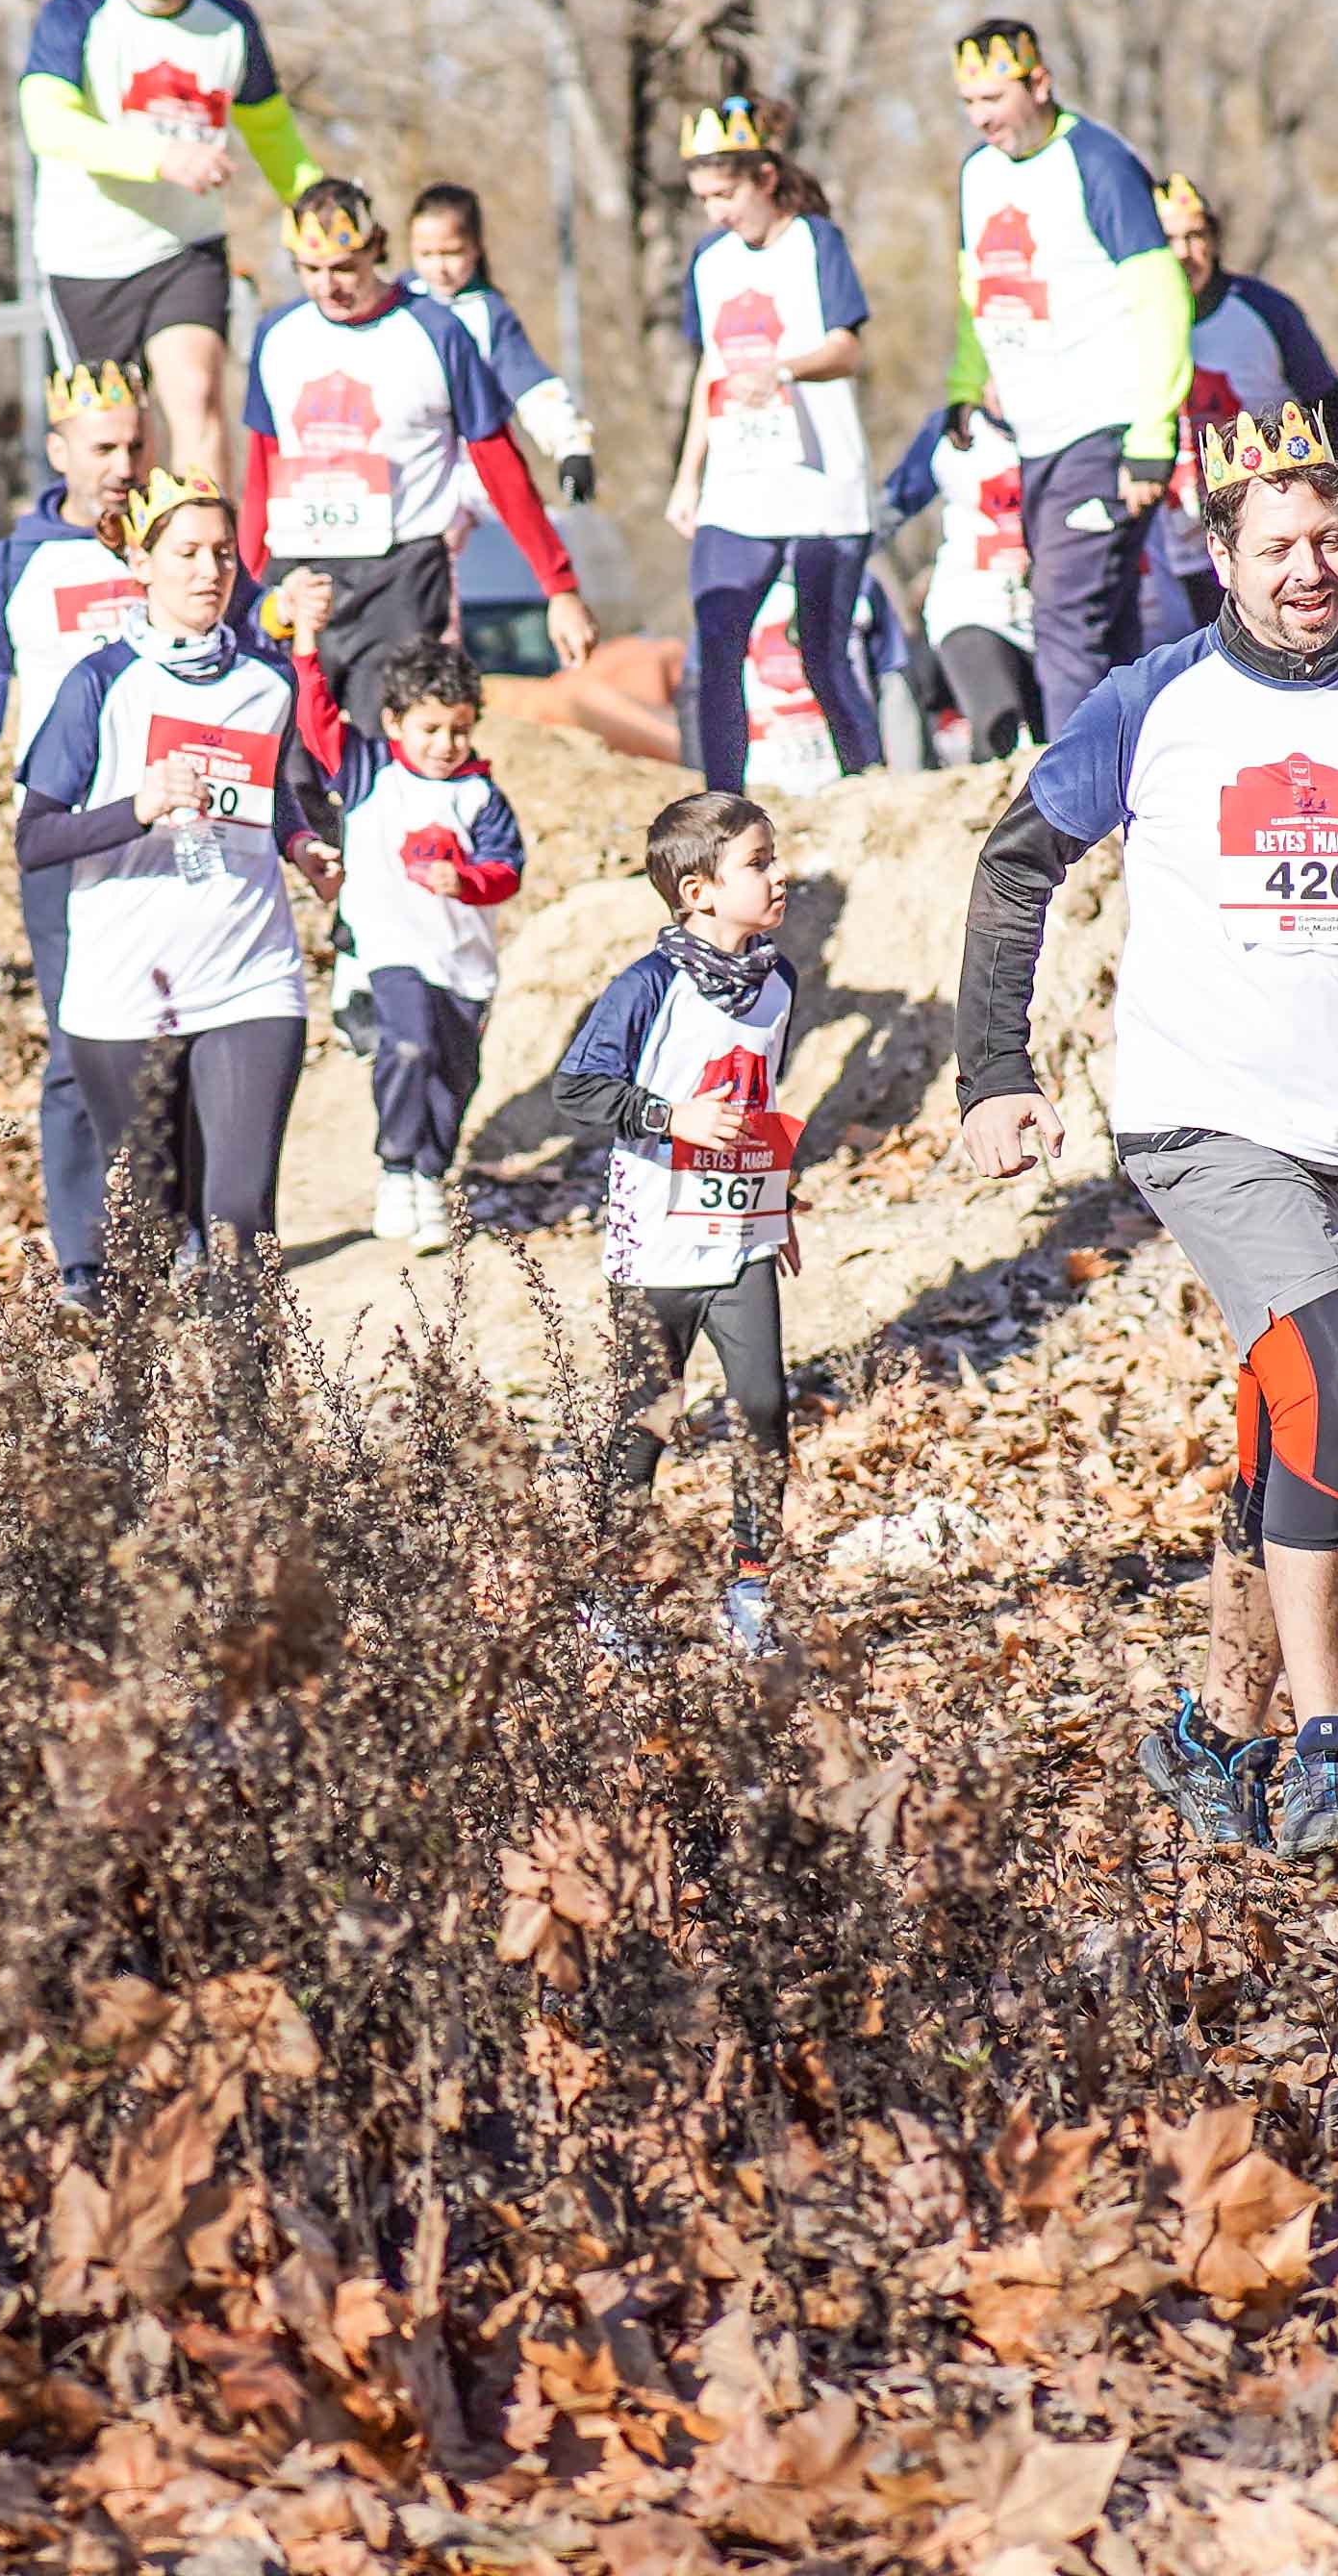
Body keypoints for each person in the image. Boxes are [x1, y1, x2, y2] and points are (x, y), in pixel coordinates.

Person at [952, 399, 1338, 1863]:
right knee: (1337, 1381)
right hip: (1200, 1119)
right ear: (1217, 550)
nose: (1311, 570)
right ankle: (1329, 1753)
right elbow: (1014, 864)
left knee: (1298, 1427)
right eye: (1279, 546)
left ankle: (1212, 1734)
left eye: (1331, 541)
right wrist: (993, 1070)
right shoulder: (1156, 701)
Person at [13, 475, 339, 1303]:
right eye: (186, 553)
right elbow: (35, 839)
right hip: (125, 989)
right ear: (141, 564)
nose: (209, 572)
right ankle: (159, 1419)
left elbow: (281, 791)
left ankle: (250, 1425)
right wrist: (139, 808)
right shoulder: (98, 684)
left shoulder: (268, 684)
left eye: (224, 555)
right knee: (154, 1235)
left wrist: (303, 843)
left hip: (247, 972)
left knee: (239, 1219)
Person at [0, 359, 163, 1310]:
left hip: (176, 835)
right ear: (58, 452)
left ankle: (183, 1239)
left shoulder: (178, 538)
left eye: (137, 443)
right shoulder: (18, 563)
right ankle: (86, 1261)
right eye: (104, 448)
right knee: (79, 1044)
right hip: (64, 838)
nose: (124, 464)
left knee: (181, 1040)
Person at [552, 788, 808, 1655]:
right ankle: (610, 1590)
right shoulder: (646, 986)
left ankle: (751, 1588)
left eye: (775, 859)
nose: (781, 876)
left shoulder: (780, 981)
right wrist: (671, 1119)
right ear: (697, 890)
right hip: (656, 1240)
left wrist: (779, 1194)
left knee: (766, 1409)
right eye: (759, 864)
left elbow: (761, 1098)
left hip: (742, 1235)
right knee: (647, 1419)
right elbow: (577, 1088)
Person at [240, 178, 597, 728]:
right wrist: (247, 581)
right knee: (291, 752)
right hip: (300, 566)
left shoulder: (436, 332)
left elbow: (499, 465)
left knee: (380, 744)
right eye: (310, 271)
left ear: (376, 249)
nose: (327, 286)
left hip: (400, 571)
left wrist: (560, 586)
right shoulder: (277, 335)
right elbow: (262, 466)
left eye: (343, 268)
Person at [17, 0, 324, 493]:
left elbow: (272, 135)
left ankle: (207, 559)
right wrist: (161, 158)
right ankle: (123, 569)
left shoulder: (228, 24)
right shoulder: (73, 18)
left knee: (198, 396)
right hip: (88, 259)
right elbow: (49, 126)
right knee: (112, 435)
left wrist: (318, 205)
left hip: (184, 248)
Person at [943, 23, 1191, 739]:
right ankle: (1131, 781)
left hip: (1106, 425)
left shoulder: (1098, 162)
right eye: (968, 102)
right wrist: (966, 381)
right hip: (1036, 431)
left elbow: (1160, 296)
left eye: (994, 97)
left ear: (1040, 85)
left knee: (1061, 612)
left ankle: (1068, 803)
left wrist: (1151, 435)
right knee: (1104, 622)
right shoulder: (977, 174)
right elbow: (976, 293)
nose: (982, 116)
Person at [666, 95, 883, 791]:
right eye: (703, 199)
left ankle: (868, 794)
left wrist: (784, 368)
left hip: (821, 482)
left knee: (822, 653)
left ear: (764, 177)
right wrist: (687, 473)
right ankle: (720, 803)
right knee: (716, 645)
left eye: (725, 194)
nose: (716, 213)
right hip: (740, 479)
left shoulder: (815, 243)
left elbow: (848, 349)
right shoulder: (708, 261)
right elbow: (711, 367)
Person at [296, 635, 524, 1249]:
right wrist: (305, 647)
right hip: (389, 951)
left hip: (463, 965)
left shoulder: (482, 796)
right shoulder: (370, 770)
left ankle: (431, 1173)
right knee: (408, 1048)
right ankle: (396, 1169)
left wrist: (468, 880)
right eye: (429, 729)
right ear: (394, 722)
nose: (445, 745)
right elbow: (315, 720)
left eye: (459, 730)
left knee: (455, 1075)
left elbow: (508, 870)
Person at [1149, 177, 1338, 645]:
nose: (1183, 253)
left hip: (1271, 525)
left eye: (1195, 236)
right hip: (1172, 535)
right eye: (1168, 240)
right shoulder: (1125, 319)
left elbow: (1334, 407)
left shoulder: (1263, 311)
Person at [405, 184, 596, 674]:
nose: (439, 267)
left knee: (441, 548)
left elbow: (530, 384)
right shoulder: (400, 305)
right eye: (426, 254)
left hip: (468, 466)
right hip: (405, 462)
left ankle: (439, 662)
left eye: (452, 253)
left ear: (476, 250)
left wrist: (570, 445)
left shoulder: (487, 314)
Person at [885, 400, 1037, 763]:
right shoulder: (954, 426)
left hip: (1062, 609)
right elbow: (889, 505)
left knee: (1062, 743)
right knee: (998, 731)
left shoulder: (1074, 416)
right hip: (974, 602)